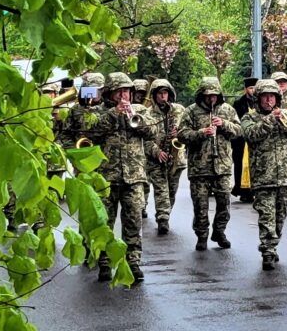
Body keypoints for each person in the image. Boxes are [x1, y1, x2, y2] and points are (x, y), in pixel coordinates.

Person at [238, 81, 287, 269]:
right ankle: (268, 251)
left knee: (280, 216)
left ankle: (273, 245)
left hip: (284, 176)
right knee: (267, 216)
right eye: (265, 97)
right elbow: (250, 134)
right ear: (258, 99)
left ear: (277, 98)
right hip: (263, 177)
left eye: (272, 97)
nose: (269, 100)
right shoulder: (250, 117)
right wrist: (270, 120)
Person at [94, 73, 151, 285]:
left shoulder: (139, 110)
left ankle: (133, 262)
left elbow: (151, 132)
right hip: (106, 177)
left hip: (133, 176)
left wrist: (134, 116)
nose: (123, 95)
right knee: (104, 222)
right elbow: (91, 133)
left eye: (126, 91)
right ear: (110, 93)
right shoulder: (99, 112)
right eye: (119, 92)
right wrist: (113, 114)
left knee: (134, 221)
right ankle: (104, 262)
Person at [179, 77, 237, 251]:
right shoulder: (191, 111)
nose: (212, 98)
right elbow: (181, 134)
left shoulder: (227, 110)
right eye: (208, 95)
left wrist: (224, 124)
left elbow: (239, 130)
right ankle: (202, 235)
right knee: (200, 205)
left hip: (222, 166)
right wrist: (201, 133)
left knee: (224, 202)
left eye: (215, 95)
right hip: (200, 167)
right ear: (202, 95)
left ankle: (219, 231)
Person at [146, 78, 185, 236]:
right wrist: (157, 152)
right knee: (161, 190)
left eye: (166, 93)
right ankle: (163, 218)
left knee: (171, 192)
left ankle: (166, 213)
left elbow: (189, 128)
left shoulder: (179, 110)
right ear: (154, 95)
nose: (163, 96)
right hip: (156, 160)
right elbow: (144, 139)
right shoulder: (148, 114)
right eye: (160, 93)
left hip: (176, 159)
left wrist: (179, 133)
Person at [230, 75, 258, 204]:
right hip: (241, 140)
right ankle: (243, 191)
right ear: (246, 89)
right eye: (251, 88)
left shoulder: (259, 101)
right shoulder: (238, 103)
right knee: (240, 165)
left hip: (255, 138)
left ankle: (255, 190)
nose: (253, 90)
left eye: (255, 88)